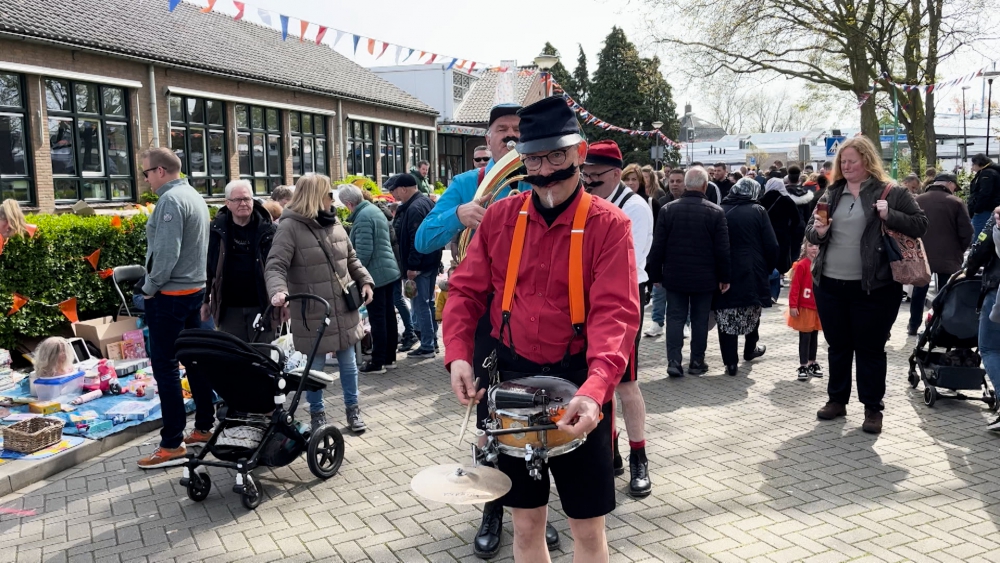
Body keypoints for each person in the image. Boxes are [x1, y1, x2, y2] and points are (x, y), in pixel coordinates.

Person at [444, 95, 639, 563]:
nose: (546, 168)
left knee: (588, 529)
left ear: (579, 151)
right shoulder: (500, 218)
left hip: (580, 384)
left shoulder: (609, 225)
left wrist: (595, 391)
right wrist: (459, 356)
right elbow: (466, 292)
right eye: (534, 157)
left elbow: (616, 314)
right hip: (512, 383)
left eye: (557, 155)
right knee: (526, 524)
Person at [805, 137, 927, 434]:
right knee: (838, 346)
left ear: (867, 161)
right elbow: (811, 231)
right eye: (842, 162)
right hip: (830, 284)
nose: (846, 167)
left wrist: (889, 214)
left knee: (870, 348)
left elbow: (920, 224)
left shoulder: (892, 192)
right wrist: (818, 232)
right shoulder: (831, 194)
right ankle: (837, 400)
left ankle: (873, 409)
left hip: (875, 287)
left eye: (852, 161)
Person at [265, 174, 375, 433]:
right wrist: (278, 291)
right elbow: (275, 265)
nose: (332, 199)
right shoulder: (289, 227)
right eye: (328, 194)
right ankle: (317, 414)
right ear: (315, 196)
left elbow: (351, 258)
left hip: (343, 308)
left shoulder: (334, 221)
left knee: (349, 364)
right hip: (313, 311)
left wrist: (365, 281)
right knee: (313, 368)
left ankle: (353, 409)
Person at [582, 140, 654, 497]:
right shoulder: (589, 202)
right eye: (586, 175)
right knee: (595, 379)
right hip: (588, 297)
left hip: (624, 297)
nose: (588, 182)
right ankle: (609, 451)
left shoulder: (634, 207)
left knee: (624, 383)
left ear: (615, 174)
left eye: (595, 176)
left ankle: (638, 455)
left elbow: (631, 260)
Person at [135, 147, 214, 470]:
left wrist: (149, 288)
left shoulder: (169, 201)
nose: (145, 179)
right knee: (196, 360)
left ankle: (171, 443)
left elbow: (167, 253)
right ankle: (205, 427)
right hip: (195, 289)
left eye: (146, 173)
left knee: (165, 366)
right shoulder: (193, 195)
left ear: (161, 171)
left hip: (171, 295)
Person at [648, 166, 731, 377]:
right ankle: (696, 362)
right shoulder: (716, 212)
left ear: (686, 184)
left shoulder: (668, 210)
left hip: (674, 277)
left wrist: (655, 274)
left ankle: (674, 362)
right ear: (705, 186)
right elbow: (722, 249)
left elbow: (658, 245)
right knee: (699, 320)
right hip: (705, 278)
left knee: (674, 318)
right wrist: (724, 277)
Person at [202, 179, 277, 347]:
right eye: (238, 200)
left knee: (262, 358)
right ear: (227, 203)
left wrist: (285, 302)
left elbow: (280, 269)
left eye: (247, 199)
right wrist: (205, 301)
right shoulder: (215, 231)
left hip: (261, 305)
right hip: (229, 308)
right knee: (233, 358)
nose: (243, 203)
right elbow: (207, 268)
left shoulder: (269, 230)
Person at [714, 178, 776, 376]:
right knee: (752, 308)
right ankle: (750, 349)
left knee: (725, 314)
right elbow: (771, 244)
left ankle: (730, 363)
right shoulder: (758, 211)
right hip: (752, 269)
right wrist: (770, 266)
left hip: (725, 269)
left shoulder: (719, 209)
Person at [340, 184, 401, 372]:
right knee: (388, 315)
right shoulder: (373, 210)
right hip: (388, 270)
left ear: (349, 203)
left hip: (377, 275)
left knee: (378, 318)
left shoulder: (363, 218)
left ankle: (378, 361)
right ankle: (389, 357)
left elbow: (364, 253)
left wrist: (354, 274)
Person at [907, 173, 973, 335]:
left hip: (922, 256)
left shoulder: (918, 200)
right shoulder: (956, 203)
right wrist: (960, 250)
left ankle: (913, 325)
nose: (955, 190)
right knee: (946, 293)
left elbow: (908, 227)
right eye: (954, 187)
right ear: (949, 184)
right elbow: (967, 232)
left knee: (918, 292)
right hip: (948, 257)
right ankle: (940, 327)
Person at [390, 173, 442, 358]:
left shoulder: (414, 208)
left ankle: (428, 345)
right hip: (430, 263)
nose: (394, 196)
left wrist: (412, 266)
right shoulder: (425, 202)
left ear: (404, 188)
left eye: (395, 191)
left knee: (421, 305)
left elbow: (415, 240)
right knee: (428, 304)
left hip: (420, 266)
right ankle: (432, 341)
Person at [963, 211, 1000, 431]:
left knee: (990, 348)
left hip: (997, 287)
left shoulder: (997, 214)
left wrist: (968, 271)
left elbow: (981, 246)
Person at [645, 169, 687, 338]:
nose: (675, 184)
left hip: (684, 255)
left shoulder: (689, 201)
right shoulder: (661, 202)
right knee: (659, 291)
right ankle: (657, 322)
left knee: (685, 294)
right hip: (665, 254)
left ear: (685, 183)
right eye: (672, 181)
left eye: (679, 181)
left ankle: (685, 323)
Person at [759, 177, 802, 301]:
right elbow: (796, 219)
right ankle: (781, 278)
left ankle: (769, 281)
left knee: (768, 256)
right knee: (782, 255)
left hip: (766, 234)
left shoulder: (762, 200)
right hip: (782, 233)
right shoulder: (787, 200)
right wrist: (790, 230)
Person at [788, 242, 823, 381]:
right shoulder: (802, 265)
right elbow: (795, 287)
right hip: (805, 307)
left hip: (817, 307)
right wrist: (793, 305)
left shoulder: (822, 264)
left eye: (816, 245)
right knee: (805, 336)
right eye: (811, 245)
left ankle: (812, 362)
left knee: (814, 335)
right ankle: (803, 365)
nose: (814, 248)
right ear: (805, 248)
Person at [969, 154, 1000, 235]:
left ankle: (977, 247)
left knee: (977, 232)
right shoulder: (988, 172)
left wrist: (977, 209)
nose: (972, 167)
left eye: (973, 164)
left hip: (984, 209)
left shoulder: (987, 174)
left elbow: (984, 193)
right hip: (988, 208)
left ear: (978, 164)